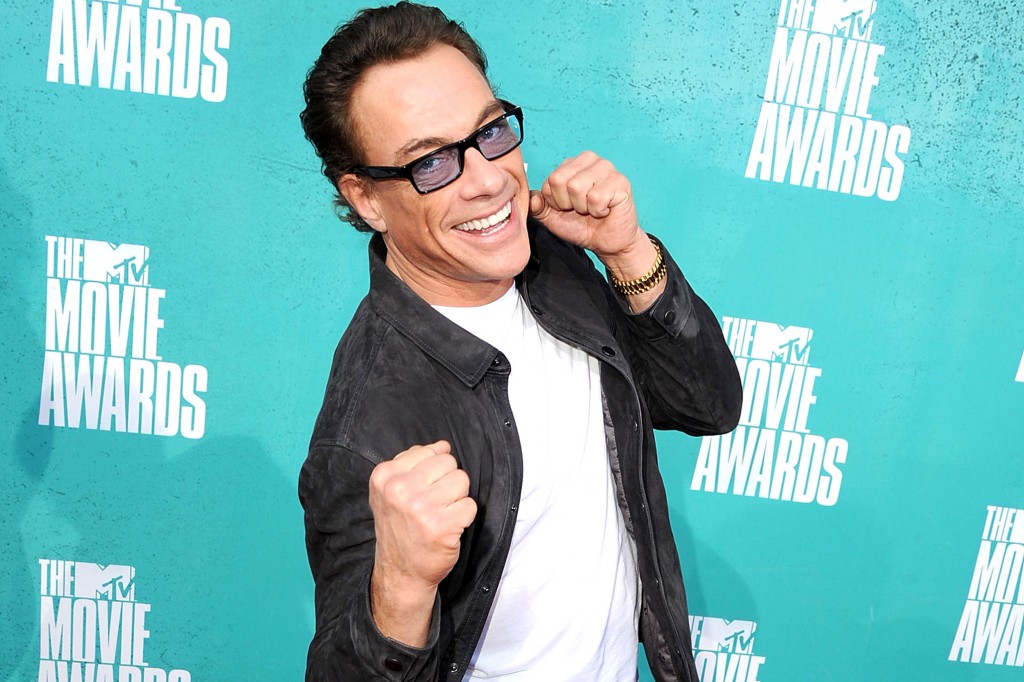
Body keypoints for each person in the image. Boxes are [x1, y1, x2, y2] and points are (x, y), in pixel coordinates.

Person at [297, 3, 742, 680]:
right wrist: (400, 591)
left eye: (490, 132)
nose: (487, 180)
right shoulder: (368, 427)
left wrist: (627, 253)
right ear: (366, 198)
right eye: (430, 163)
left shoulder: (550, 260)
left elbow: (709, 406)